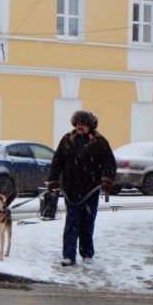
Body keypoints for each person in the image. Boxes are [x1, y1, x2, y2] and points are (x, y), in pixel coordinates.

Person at [47, 110, 116, 267]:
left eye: (83, 124)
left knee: (87, 222)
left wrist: (107, 178)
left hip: (90, 190)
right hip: (70, 189)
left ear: (90, 126)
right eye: (77, 124)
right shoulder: (67, 140)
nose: (79, 127)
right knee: (71, 223)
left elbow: (109, 163)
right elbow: (57, 161)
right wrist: (53, 180)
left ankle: (87, 253)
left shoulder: (99, 142)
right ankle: (68, 256)